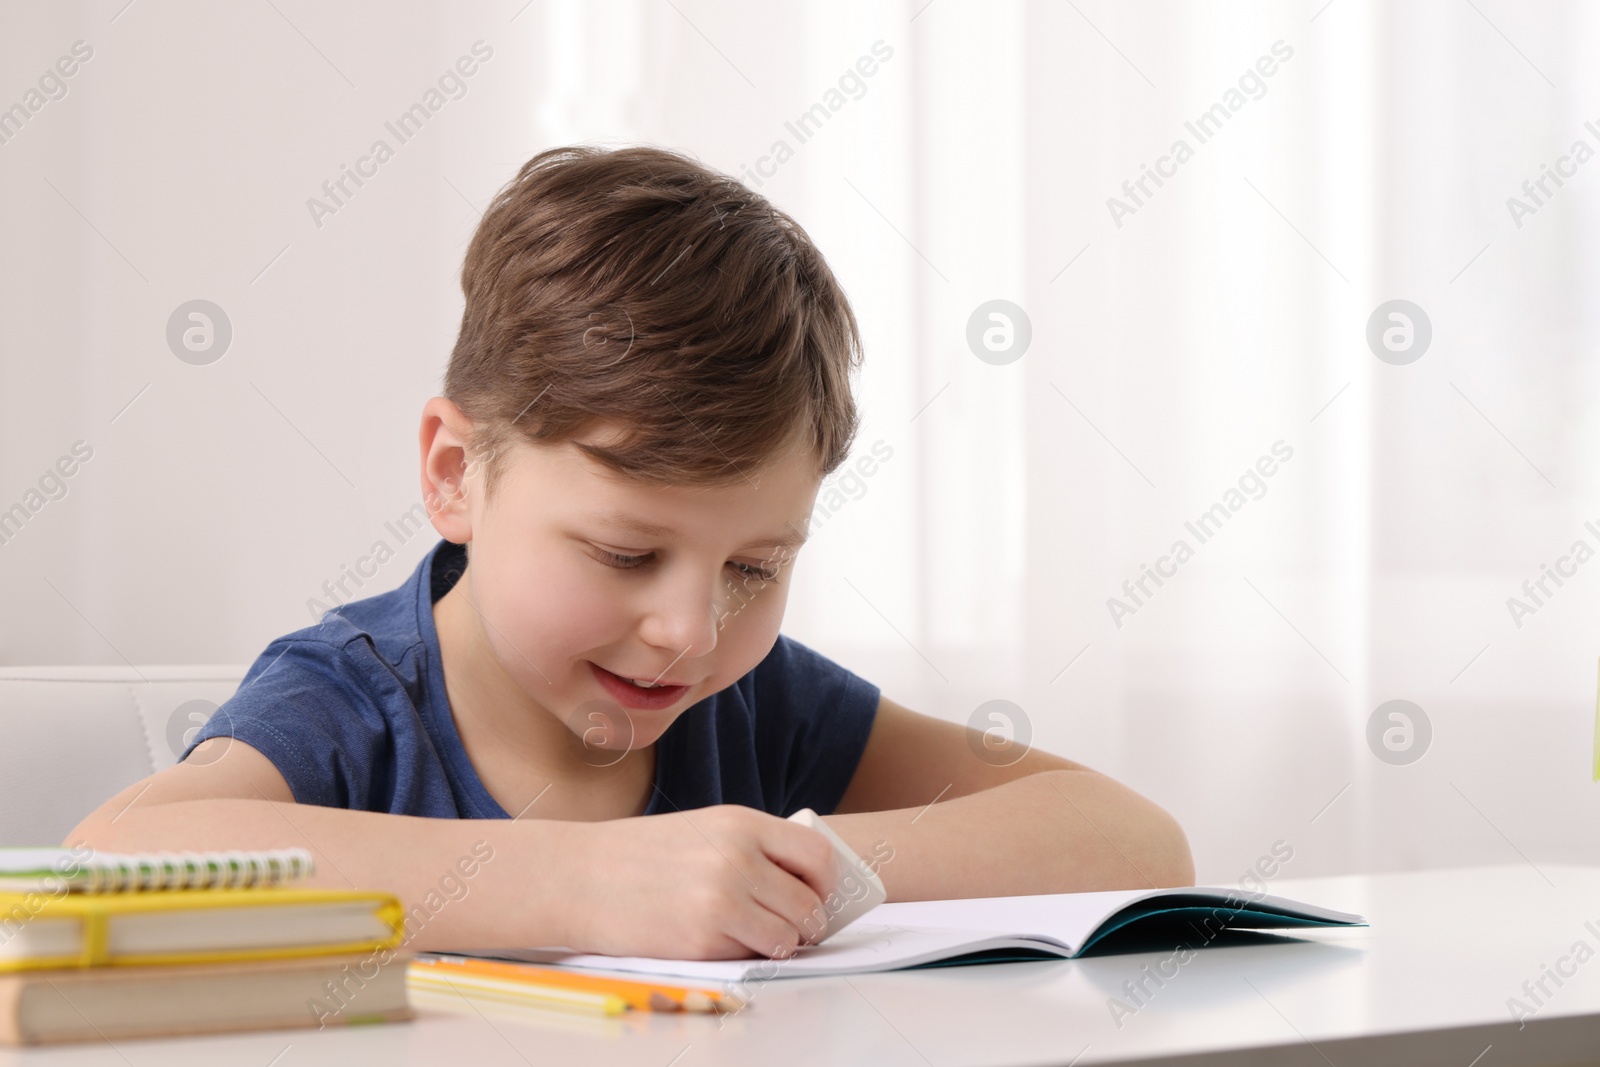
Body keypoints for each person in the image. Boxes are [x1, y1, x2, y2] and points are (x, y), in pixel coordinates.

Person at [69, 146, 1193, 961]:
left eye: (753, 568)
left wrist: (796, 868)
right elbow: (109, 866)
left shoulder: (749, 703)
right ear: (456, 474)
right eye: (621, 552)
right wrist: (592, 885)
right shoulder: (352, 701)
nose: (689, 632)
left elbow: (1133, 838)